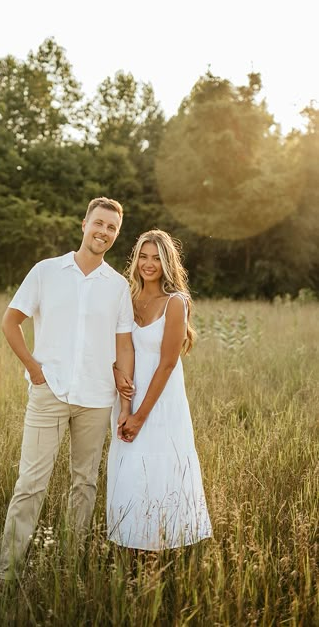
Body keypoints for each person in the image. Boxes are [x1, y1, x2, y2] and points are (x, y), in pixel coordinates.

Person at [0, 197, 134, 598]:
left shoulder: (119, 287)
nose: (103, 232)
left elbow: (124, 347)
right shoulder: (46, 271)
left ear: (115, 235)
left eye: (112, 229)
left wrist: (125, 403)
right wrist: (35, 370)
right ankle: (6, 577)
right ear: (84, 223)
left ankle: (67, 571)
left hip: (95, 398)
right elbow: (10, 321)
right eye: (98, 224)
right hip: (48, 393)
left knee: (84, 484)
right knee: (31, 483)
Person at [107, 229, 212, 550]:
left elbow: (167, 364)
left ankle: (167, 545)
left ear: (168, 263)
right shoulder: (125, 298)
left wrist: (140, 415)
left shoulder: (175, 303)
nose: (148, 264)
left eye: (156, 258)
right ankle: (130, 542)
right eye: (143, 256)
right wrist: (115, 373)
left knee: (161, 467)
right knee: (129, 469)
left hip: (161, 401)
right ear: (135, 259)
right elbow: (118, 347)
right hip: (127, 397)